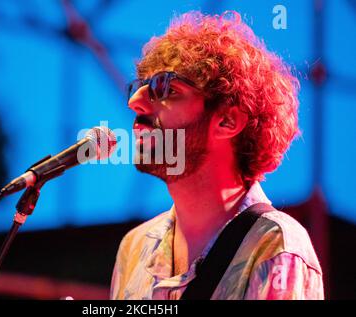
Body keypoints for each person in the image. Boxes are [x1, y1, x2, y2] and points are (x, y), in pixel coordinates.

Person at [110, 11, 324, 300]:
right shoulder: (134, 248)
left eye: (167, 89)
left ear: (227, 121)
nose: (135, 102)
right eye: (138, 89)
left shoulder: (276, 245)